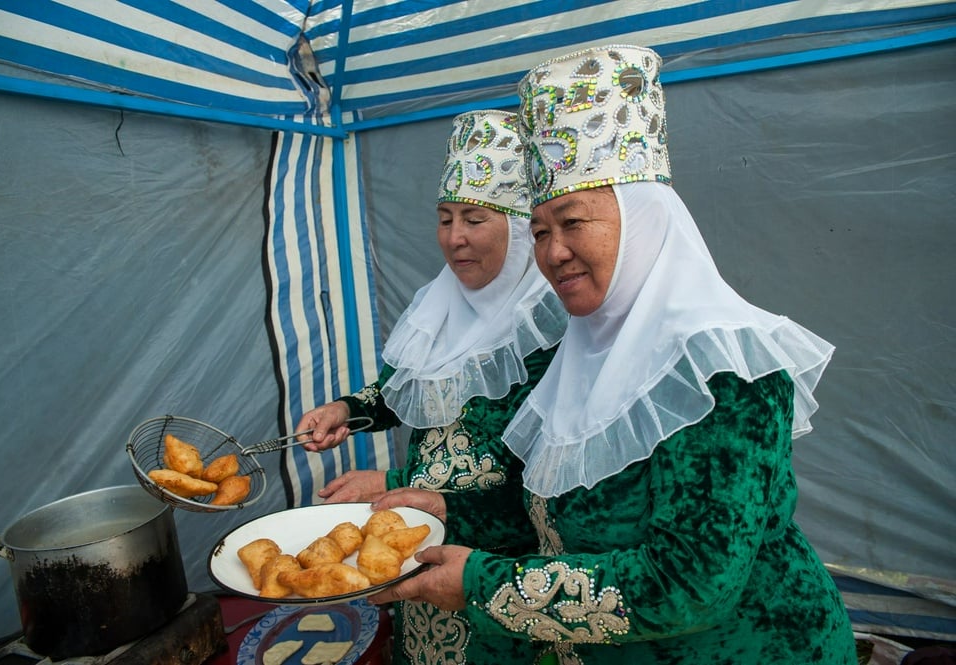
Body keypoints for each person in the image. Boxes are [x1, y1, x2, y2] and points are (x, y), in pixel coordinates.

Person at [368, 44, 858, 664]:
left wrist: (481, 584)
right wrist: (443, 506)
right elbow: (549, 517)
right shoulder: (583, 353)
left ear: (647, 222)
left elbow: (689, 583)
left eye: (573, 222)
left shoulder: (723, 371)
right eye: (541, 231)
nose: (552, 253)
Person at [295, 110, 568, 665]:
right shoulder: (439, 307)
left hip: (501, 561)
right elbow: (406, 390)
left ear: (519, 230)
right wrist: (346, 408)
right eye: (444, 219)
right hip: (419, 535)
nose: (455, 239)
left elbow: (547, 493)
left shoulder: (555, 330)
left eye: (473, 218)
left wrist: (396, 482)